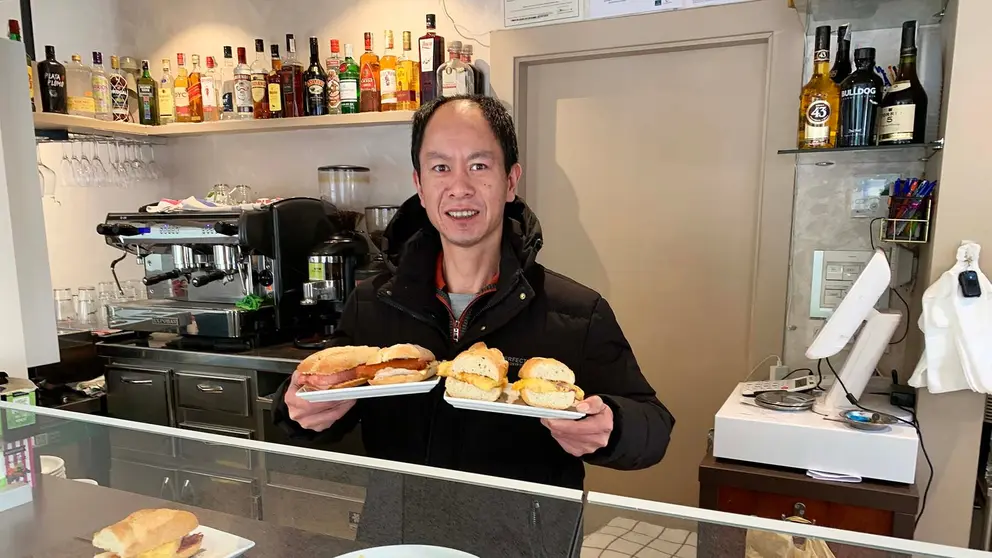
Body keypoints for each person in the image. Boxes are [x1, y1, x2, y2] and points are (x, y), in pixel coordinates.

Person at [274, 95, 674, 489]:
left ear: (510, 181)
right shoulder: (371, 303)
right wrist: (298, 411)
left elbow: (653, 426)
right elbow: (321, 405)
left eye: (479, 165)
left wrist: (613, 427)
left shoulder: (577, 312)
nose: (459, 187)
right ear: (420, 184)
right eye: (441, 167)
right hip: (400, 537)